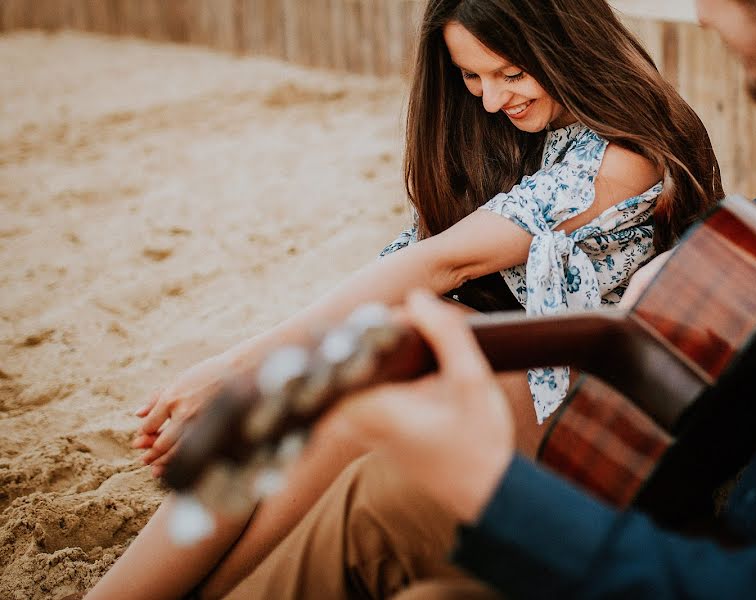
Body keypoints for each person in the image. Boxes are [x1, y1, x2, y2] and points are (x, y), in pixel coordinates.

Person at [208, 0, 756, 598]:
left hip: (724, 543)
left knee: (398, 522)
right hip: (716, 500)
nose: (701, 13)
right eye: (474, 77)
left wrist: (492, 490)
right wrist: (700, 256)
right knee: (377, 497)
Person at [85, 1, 723, 598]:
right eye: (472, 76)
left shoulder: (621, 160)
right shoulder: (532, 127)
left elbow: (445, 260)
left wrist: (236, 366)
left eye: (512, 72)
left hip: (579, 416)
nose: (495, 99)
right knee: (308, 399)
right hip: (515, 368)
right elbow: (406, 263)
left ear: (567, 47)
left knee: (328, 409)